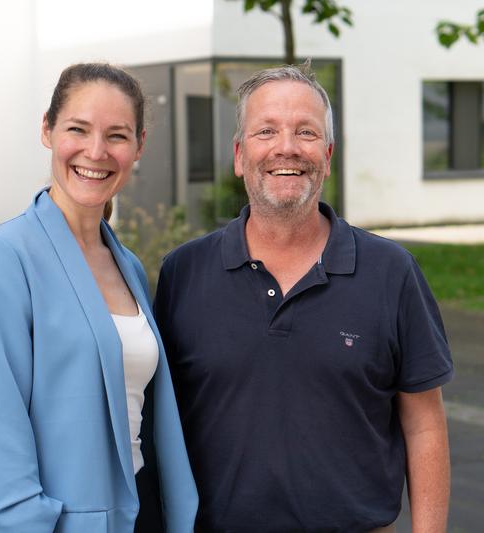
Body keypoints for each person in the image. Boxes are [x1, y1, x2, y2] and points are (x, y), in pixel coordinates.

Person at [154, 62, 453, 533]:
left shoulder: (391, 272)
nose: (286, 148)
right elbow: (161, 423)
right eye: (266, 131)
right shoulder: (183, 273)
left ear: (328, 155)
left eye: (306, 132)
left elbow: (423, 424)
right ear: (239, 155)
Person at [0, 63, 198, 533]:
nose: (96, 152)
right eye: (78, 129)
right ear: (47, 130)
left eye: (117, 136)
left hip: (141, 509)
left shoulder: (126, 263)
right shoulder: (2, 259)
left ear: (139, 146)